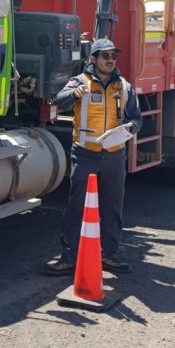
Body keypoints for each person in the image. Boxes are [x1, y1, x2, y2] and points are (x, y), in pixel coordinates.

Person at [46, 38, 143, 275]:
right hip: (85, 155)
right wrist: (74, 95)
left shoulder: (125, 86)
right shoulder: (80, 82)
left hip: (114, 157)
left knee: (112, 208)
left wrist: (130, 128)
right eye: (105, 56)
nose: (111, 61)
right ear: (93, 59)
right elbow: (59, 101)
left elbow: (137, 119)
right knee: (76, 207)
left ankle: (109, 255)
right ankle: (69, 258)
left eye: (113, 57)